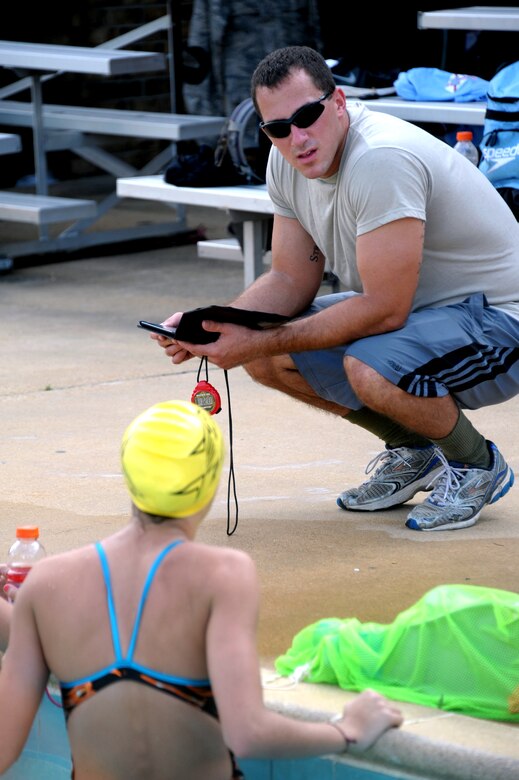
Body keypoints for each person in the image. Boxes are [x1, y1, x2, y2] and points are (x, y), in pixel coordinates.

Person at [153, 45, 519, 532]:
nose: (297, 137)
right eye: (278, 128)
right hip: (425, 316)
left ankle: (476, 465)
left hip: (501, 320)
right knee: (264, 354)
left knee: (367, 364)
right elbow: (289, 279)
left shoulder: (381, 159)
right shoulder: (287, 162)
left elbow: (385, 311)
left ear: (339, 102)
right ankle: (416, 450)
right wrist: (218, 323)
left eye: (308, 115)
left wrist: (257, 338)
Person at [0, 399, 402, 778]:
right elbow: (247, 731)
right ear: (209, 483)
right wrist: (347, 731)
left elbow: (4, 747)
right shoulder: (223, 574)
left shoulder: (46, 583)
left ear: (129, 477)